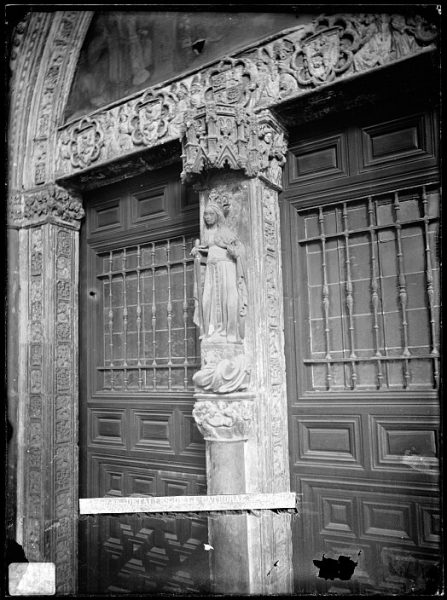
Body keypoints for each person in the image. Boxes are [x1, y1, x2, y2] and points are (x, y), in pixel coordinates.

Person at [192, 201, 247, 343]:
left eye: (210, 214)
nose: (207, 217)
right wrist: (197, 249)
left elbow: (237, 248)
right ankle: (212, 329)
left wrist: (233, 251)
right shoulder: (207, 233)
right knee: (208, 299)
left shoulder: (224, 231)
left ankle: (230, 331)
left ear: (217, 215)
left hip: (225, 266)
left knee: (228, 296)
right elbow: (209, 248)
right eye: (205, 215)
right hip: (211, 268)